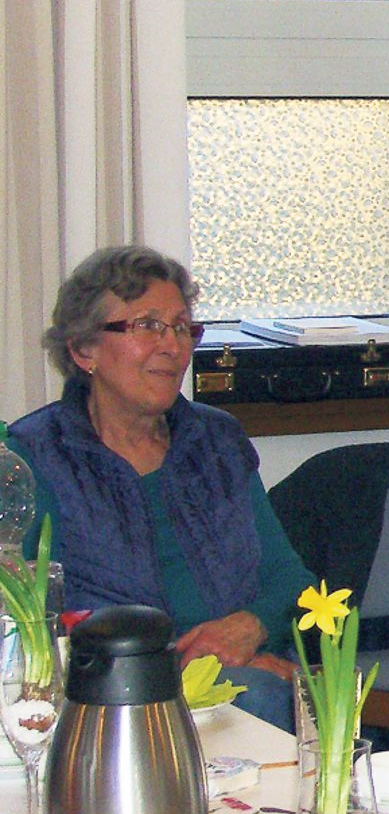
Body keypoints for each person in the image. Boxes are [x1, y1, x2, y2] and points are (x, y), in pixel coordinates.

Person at [5, 246, 310, 730]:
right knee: (258, 697)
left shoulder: (217, 440)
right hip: (107, 699)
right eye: (147, 325)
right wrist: (189, 666)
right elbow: (35, 621)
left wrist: (250, 627)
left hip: (248, 680)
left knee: (270, 697)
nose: (173, 346)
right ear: (83, 350)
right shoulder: (34, 455)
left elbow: (287, 575)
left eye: (182, 327)